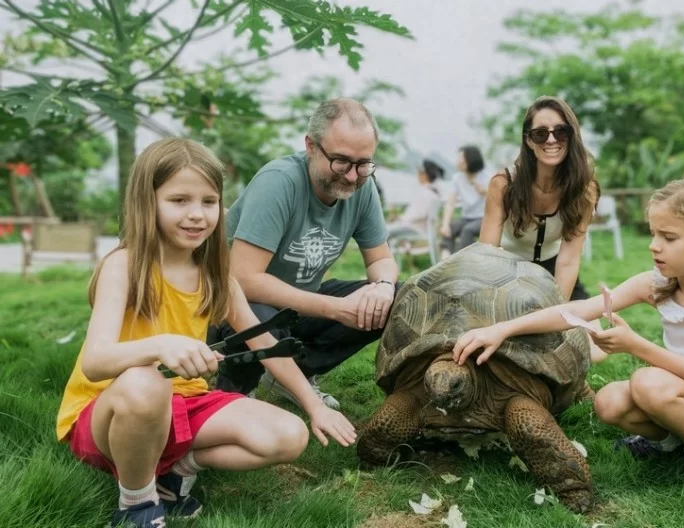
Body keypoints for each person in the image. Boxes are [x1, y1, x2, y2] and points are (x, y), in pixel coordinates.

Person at [56, 138, 355, 528]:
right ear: (148, 201)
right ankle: (137, 504)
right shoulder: (124, 266)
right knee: (146, 383)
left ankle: (176, 470)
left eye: (208, 202)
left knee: (288, 435)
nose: (197, 215)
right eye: (179, 201)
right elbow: (96, 363)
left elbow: (264, 342)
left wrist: (313, 405)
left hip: (183, 401)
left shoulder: (215, 275)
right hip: (109, 414)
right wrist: (160, 346)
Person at [453, 171, 684, 506]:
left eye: (669, 238)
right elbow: (579, 310)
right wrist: (501, 329)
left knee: (647, 382)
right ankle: (670, 441)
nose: (653, 245)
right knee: (609, 401)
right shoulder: (657, 283)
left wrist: (635, 345)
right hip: (680, 395)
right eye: (653, 233)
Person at [214, 98, 399, 408]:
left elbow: (381, 259)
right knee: (261, 315)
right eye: (341, 161)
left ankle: (290, 374)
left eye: (363, 163)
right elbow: (243, 280)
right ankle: (236, 393)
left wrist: (382, 288)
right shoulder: (279, 182)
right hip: (231, 308)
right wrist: (336, 308)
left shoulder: (362, 188)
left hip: (298, 305)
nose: (353, 176)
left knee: (400, 298)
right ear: (311, 146)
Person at [477, 95, 605, 362]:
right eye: (540, 133)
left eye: (561, 131)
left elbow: (569, 261)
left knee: (597, 351)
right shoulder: (503, 183)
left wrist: (553, 314)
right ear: (528, 140)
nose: (551, 140)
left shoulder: (584, 189)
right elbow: (486, 252)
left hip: (555, 273)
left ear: (572, 135)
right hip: (508, 276)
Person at [439, 145, 489, 254]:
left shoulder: (486, 177)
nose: (458, 161)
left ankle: (463, 264)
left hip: (483, 218)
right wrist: (445, 224)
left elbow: (499, 197)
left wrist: (485, 191)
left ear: (471, 159)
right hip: (466, 218)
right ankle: (446, 260)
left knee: (467, 230)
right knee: (450, 229)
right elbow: (450, 202)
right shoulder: (457, 178)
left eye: (461, 158)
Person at [385, 158, 443, 241]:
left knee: (382, 233)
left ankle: (384, 254)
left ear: (424, 175)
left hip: (414, 229)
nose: (417, 175)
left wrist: (401, 218)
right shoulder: (433, 192)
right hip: (416, 228)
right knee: (384, 231)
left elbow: (419, 214)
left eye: (418, 173)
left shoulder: (427, 193)